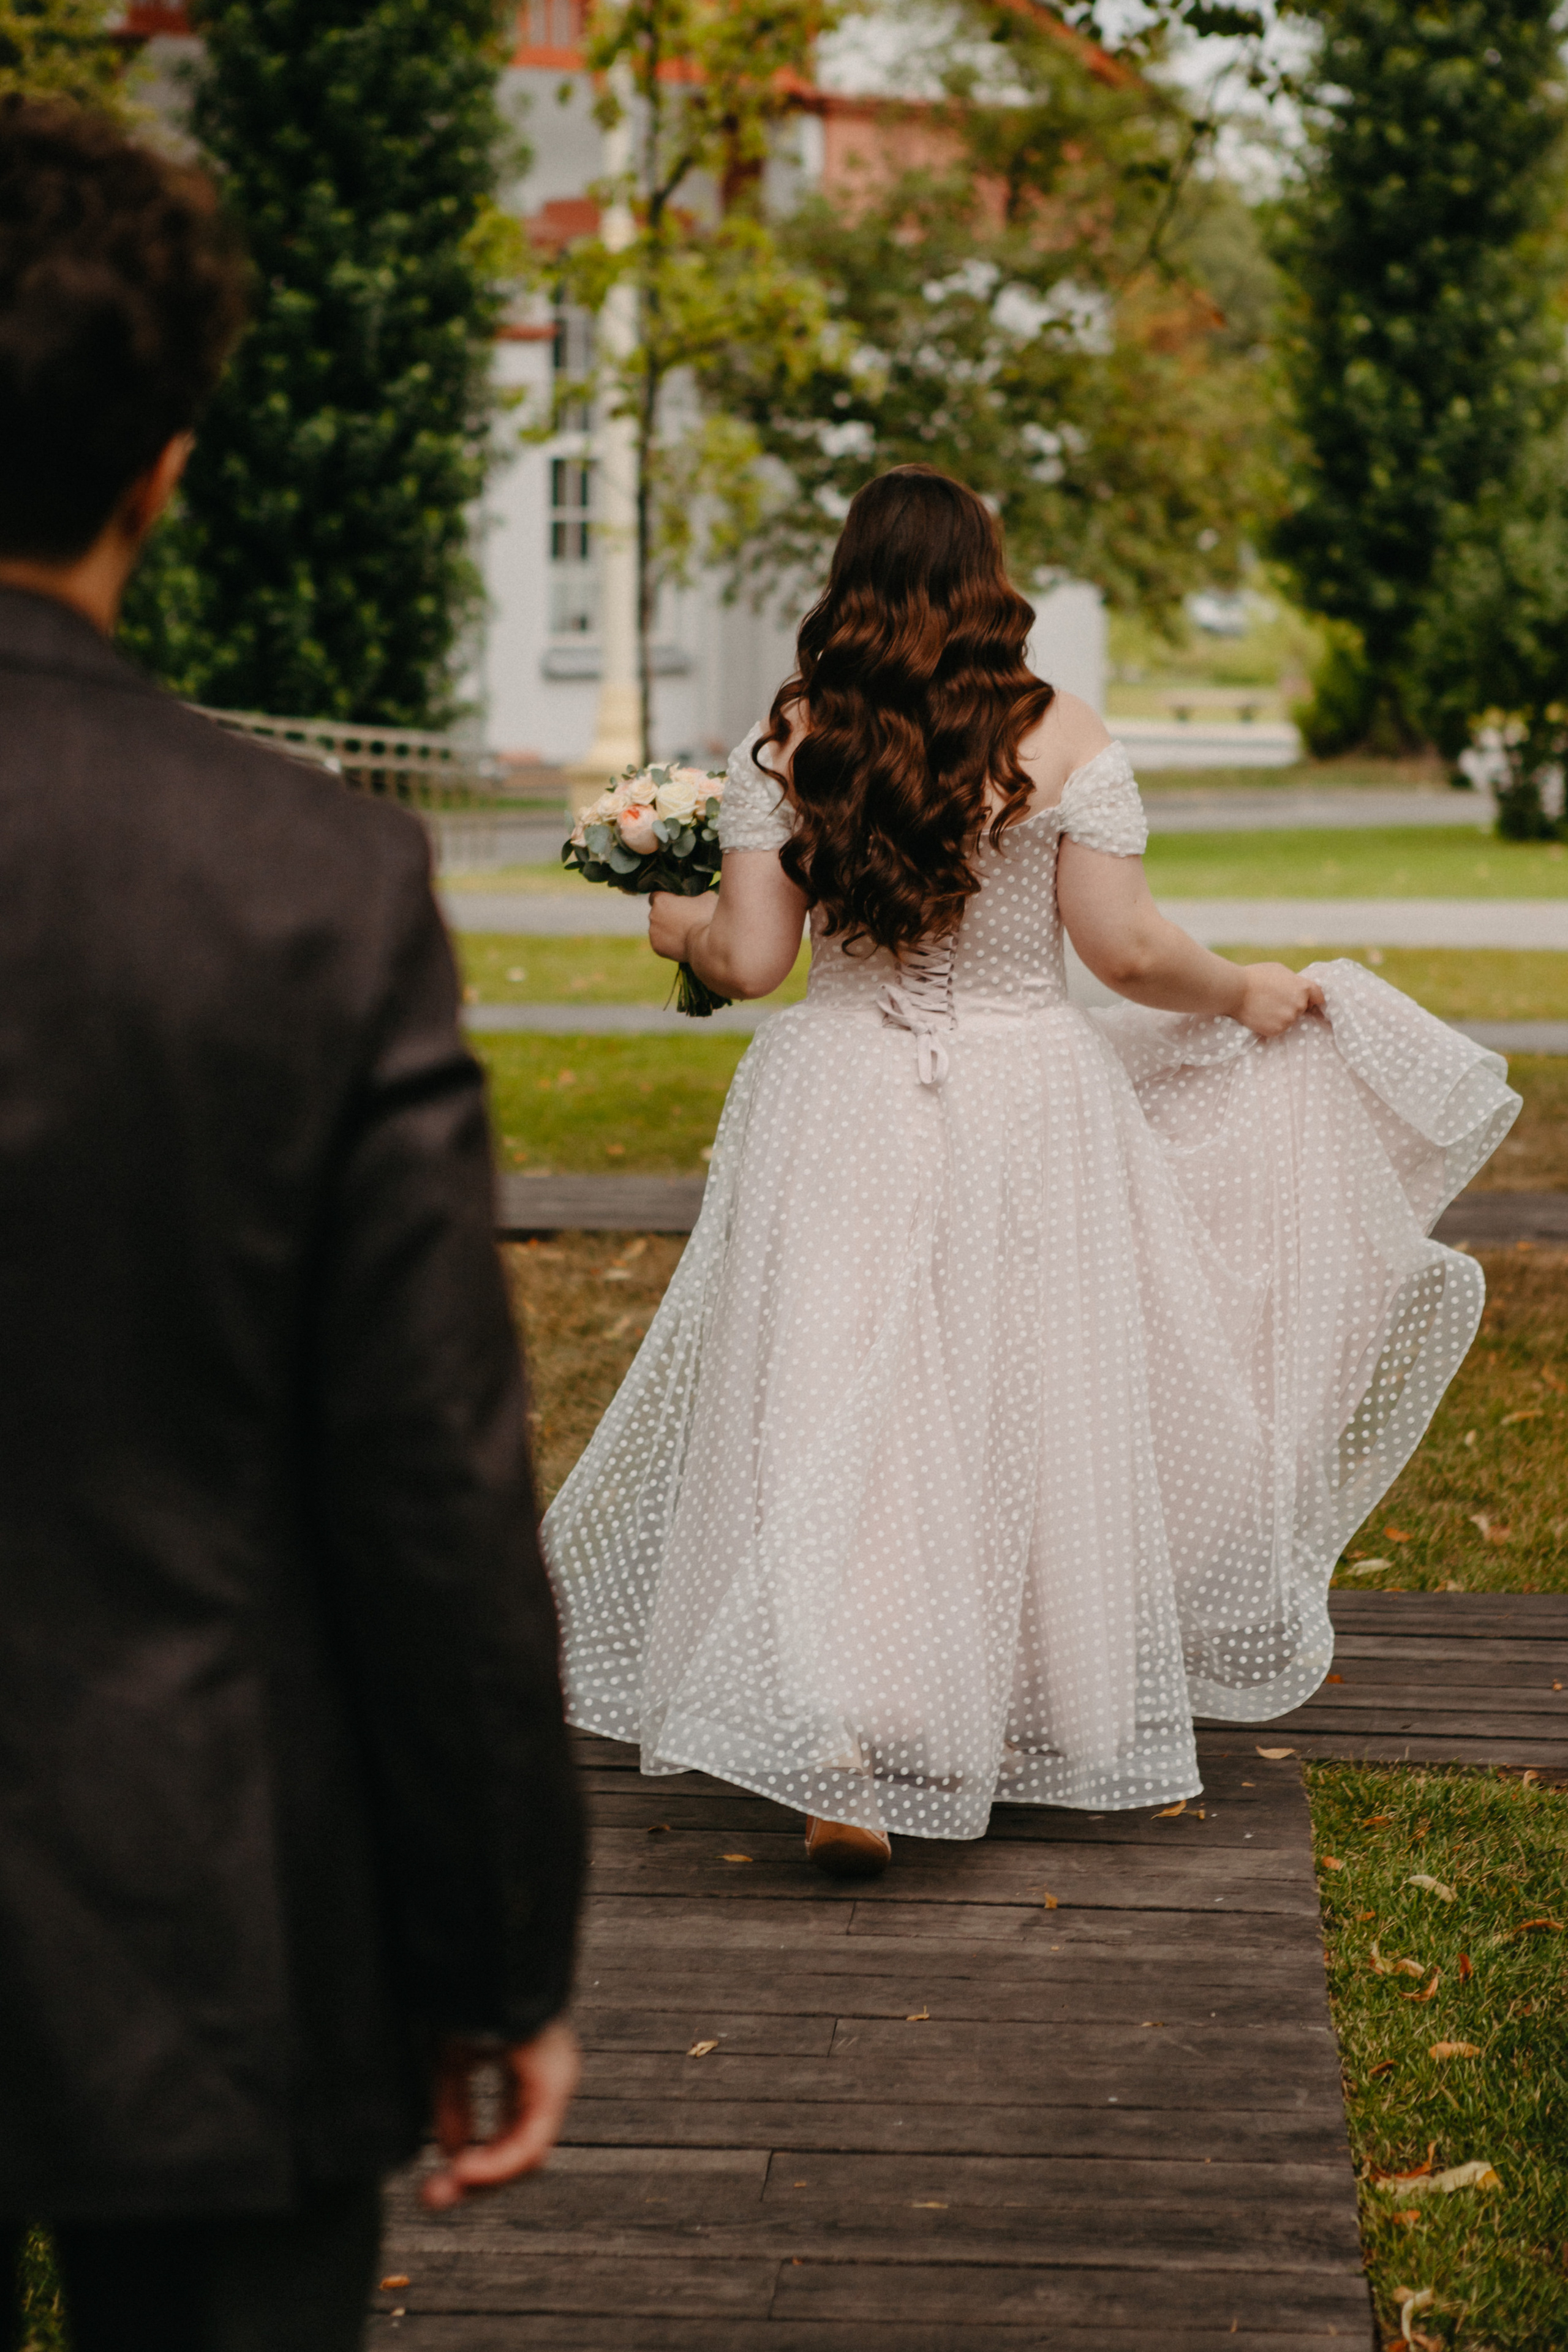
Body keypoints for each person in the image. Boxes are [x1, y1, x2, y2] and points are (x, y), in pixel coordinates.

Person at [543, 465, 1519, 1879]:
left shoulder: (800, 731)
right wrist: (1243, 987)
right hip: (1022, 1099)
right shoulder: (1060, 736)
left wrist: (675, 922)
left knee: (836, 1391)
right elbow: (1122, 954)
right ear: (990, 581)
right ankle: (1005, 1703)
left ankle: (837, 1731)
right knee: (1009, 1388)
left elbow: (754, 965)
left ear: (850, 584)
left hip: (836, 1095)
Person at [0, 99, 584, 2350]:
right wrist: (500, 1949)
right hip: (205, 1924)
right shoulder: (310, 887)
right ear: (165, 460)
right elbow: (428, 1482)